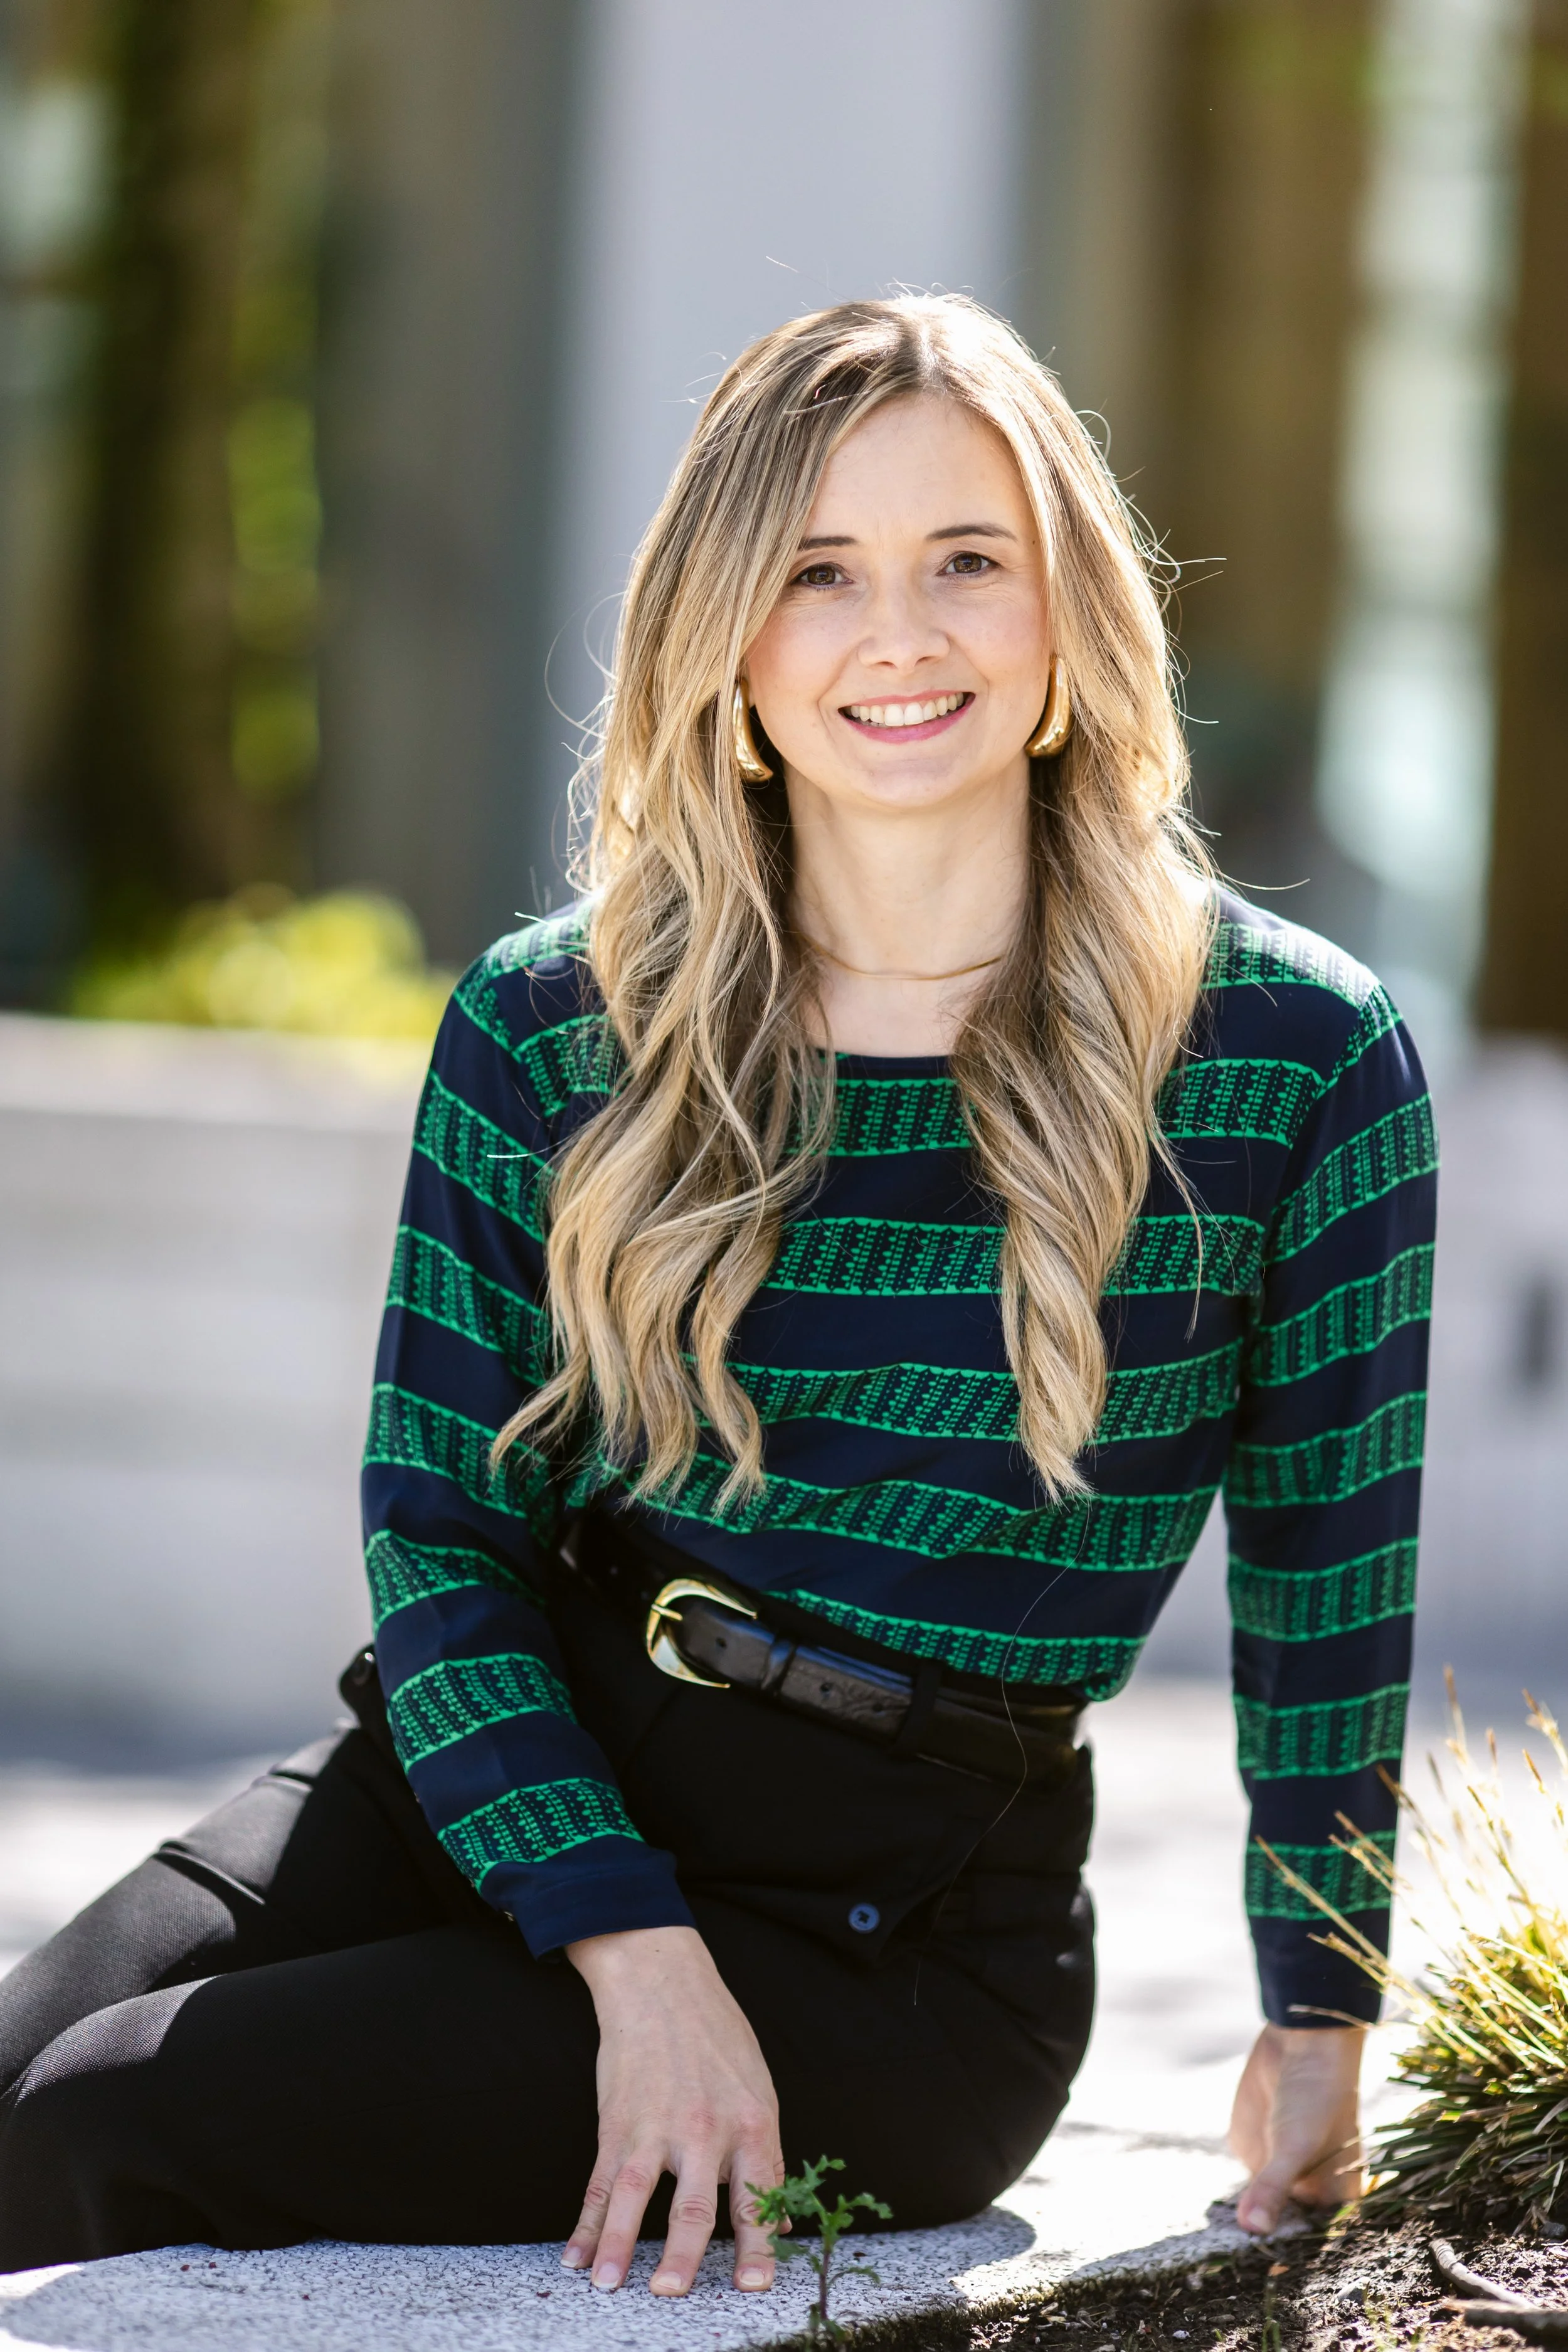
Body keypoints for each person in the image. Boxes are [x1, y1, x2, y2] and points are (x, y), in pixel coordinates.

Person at [0, 297, 1434, 2292]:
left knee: (109, 2122)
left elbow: (1327, 1570)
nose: (899, 633)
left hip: (901, 1925)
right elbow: (437, 1525)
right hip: (516, 1763)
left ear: (1067, 617)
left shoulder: (1287, 1051)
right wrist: (629, 1951)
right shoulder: (561, 1016)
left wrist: (1313, 2007)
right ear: (726, 643)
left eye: (965, 561)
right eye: (815, 572)